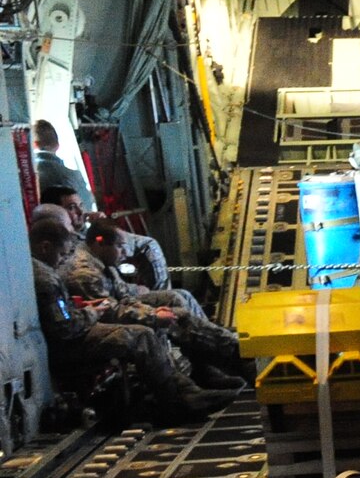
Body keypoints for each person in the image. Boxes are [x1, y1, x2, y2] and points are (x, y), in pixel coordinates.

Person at [29, 217, 227, 422]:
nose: (63, 261)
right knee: (141, 335)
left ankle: (191, 387)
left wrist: (87, 308)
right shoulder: (46, 279)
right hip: (67, 345)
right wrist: (92, 313)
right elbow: (65, 326)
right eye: (62, 254)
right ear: (45, 247)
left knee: (159, 316)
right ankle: (177, 402)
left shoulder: (41, 271)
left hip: (70, 333)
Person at [84, 214, 172, 293]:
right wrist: (136, 291)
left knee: (183, 295)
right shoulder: (88, 269)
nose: (126, 253)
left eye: (80, 206)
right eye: (119, 246)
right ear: (100, 243)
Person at [32, 119, 92, 210]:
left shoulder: (25, 176)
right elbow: (86, 210)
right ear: (58, 145)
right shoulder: (73, 176)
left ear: (34, 145)